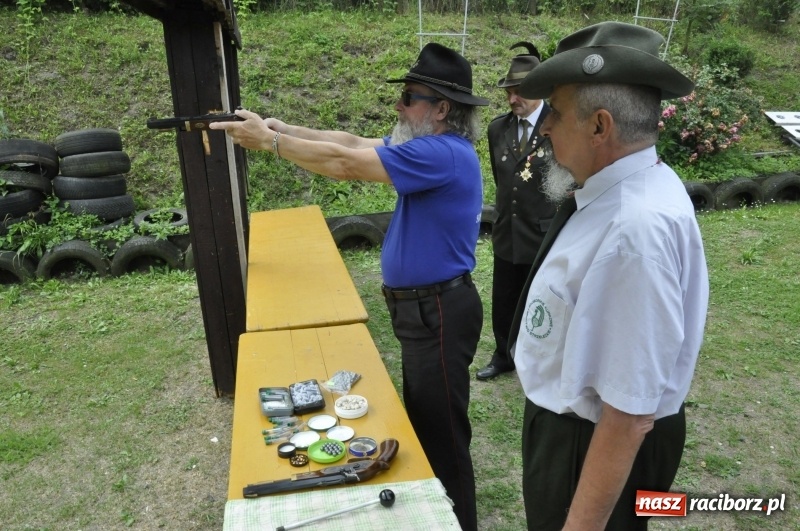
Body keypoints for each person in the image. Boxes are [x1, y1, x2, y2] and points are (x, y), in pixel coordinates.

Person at [210, 42, 487, 531]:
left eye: (409, 97)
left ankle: (458, 522)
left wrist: (269, 144)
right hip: (426, 309)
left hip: (437, 309)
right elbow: (352, 142)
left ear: (442, 109)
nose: (399, 106)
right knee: (426, 425)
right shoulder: (429, 147)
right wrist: (279, 128)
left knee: (441, 435)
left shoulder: (441, 153)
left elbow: (344, 163)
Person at [506, 22, 710, 530]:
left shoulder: (633, 231)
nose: (544, 126)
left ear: (600, 127)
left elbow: (627, 413)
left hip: (588, 443)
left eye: (554, 110)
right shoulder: (628, 189)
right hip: (575, 434)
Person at [476, 41, 556, 382]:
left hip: (545, 231)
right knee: (505, 297)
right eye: (509, 91)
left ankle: (541, 360)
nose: (512, 99)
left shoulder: (559, 124)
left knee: (544, 300)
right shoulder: (498, 129)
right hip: (508, 229)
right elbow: (502, 177)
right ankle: (503, 354)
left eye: (519, 91)